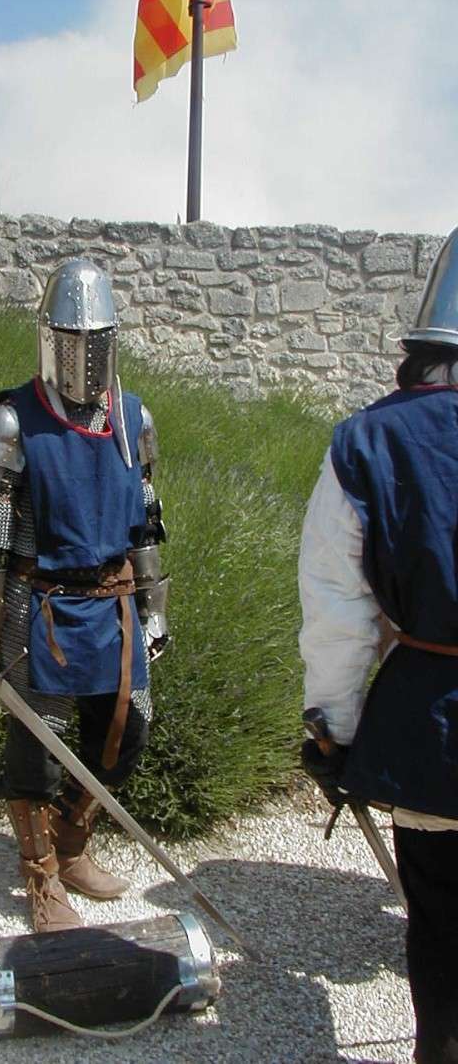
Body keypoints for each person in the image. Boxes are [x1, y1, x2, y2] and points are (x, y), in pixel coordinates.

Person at [0, 259, 170, 933]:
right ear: (50, 336)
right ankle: (40, 877)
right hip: (37, 602)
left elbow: (149, 517)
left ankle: (72, 845)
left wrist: (156, 607)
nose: (87, 353)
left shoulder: (132, 417)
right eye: (75, 337)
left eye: (98, 337)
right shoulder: (13, 422)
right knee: (36, 740)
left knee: (125, 727)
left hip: (115, 603)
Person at [299, 227, 458, 1064]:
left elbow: (339, 610)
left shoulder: (369, 441)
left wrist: (335, 726)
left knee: (438, 925)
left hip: (431, 734)